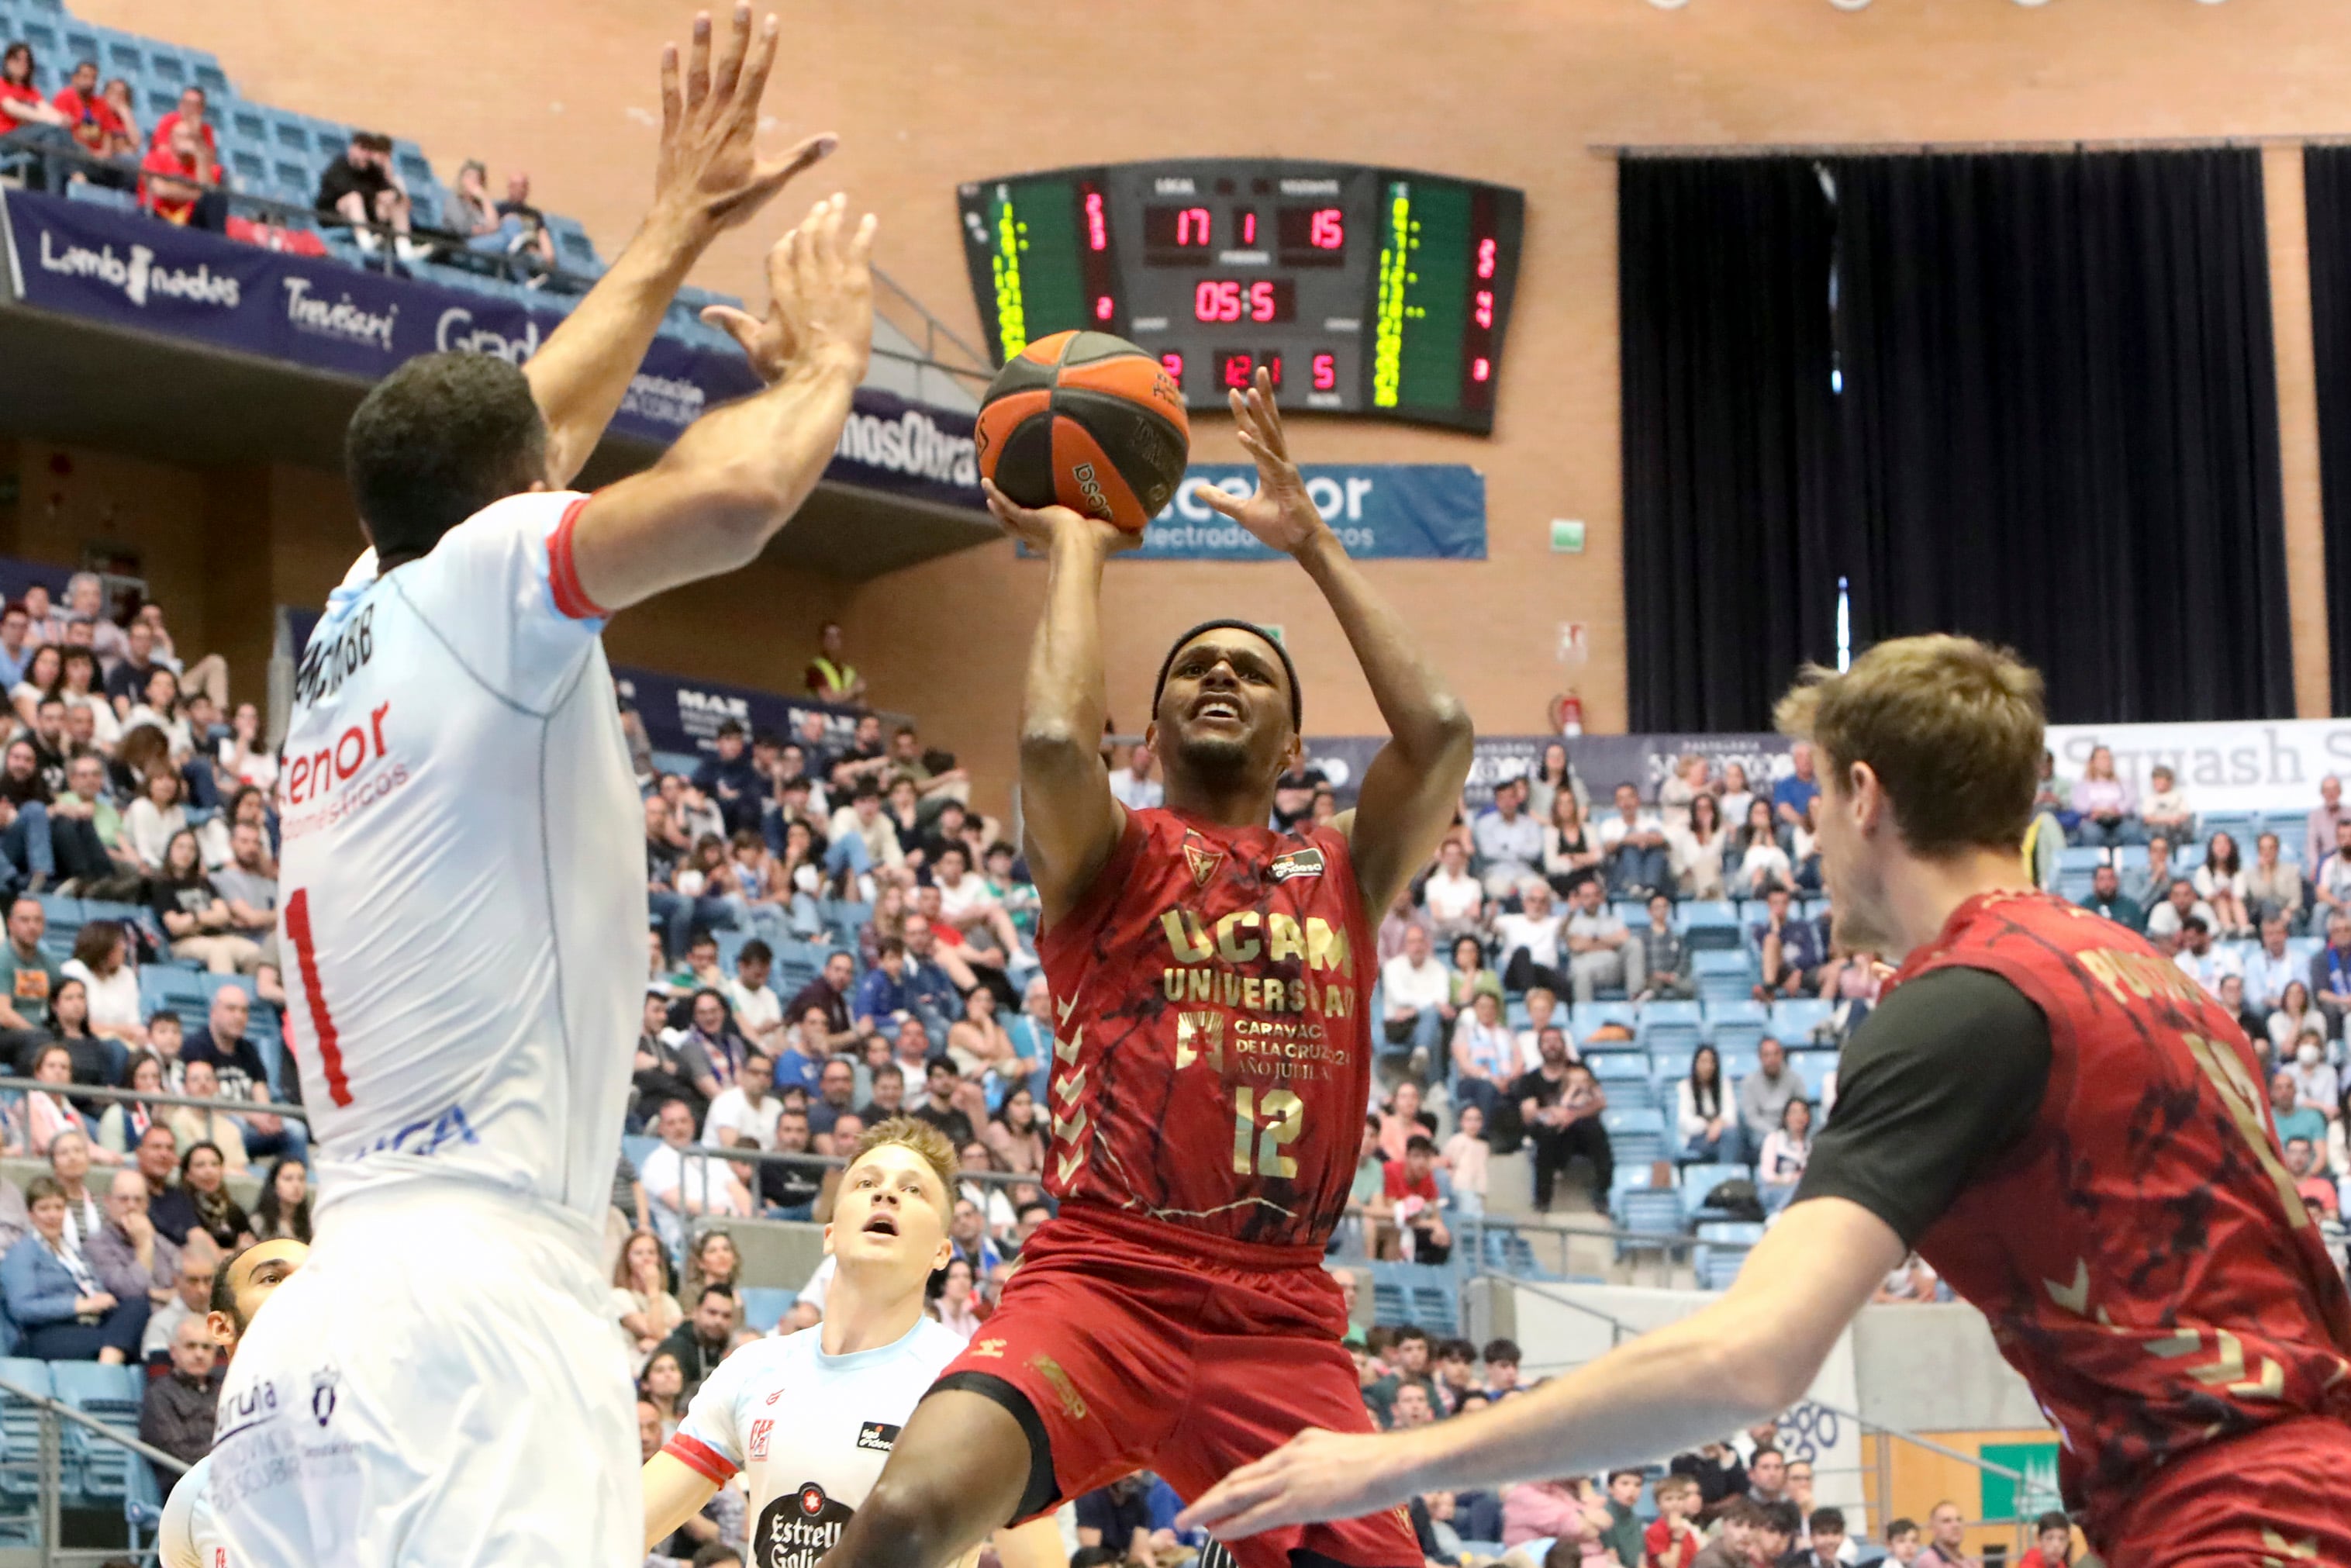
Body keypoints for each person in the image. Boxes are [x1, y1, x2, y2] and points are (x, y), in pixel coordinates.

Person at [1179, 634, 2351, 1568]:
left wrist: (1383, 1464)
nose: (1816, 836)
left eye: (1817, 804)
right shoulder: (2161, 980)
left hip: (2250, 1522)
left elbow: (1748, 1359)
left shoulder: (1962, 1004)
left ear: (1864, 792)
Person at [209, 21, 869, 1549]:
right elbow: (734, 495)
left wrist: (670, 228)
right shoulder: (497, 566)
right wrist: (826, 366)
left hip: (318, 1325)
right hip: (479, 1316)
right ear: (519, 504)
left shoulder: (369, 598)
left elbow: (534, 426)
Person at [813, 368, 1469, 1568]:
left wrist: (1314, 543)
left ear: (1292, 737)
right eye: (1192, 670)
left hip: (1281, 1315)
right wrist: (1079, 539)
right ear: (1152, 728)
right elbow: (1057, 736)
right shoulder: (1108, 856)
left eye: (1251, 670)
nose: (1220, 674)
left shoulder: (1346, 868)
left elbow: (1440, 731)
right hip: (1106, 1281)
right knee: (906, 1516)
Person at [157, 1237, 309, 1568]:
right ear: (222, 1326)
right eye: (273, 1278)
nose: (300, 1289)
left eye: (312, 1277)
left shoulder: (386, 1465)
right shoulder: (195, 1500)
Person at [2, 1174, 149, 1361]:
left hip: (90, 1324)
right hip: (46, 1333)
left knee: (137, 1305)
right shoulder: (23, 1252)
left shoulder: (73, 1253)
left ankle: (109, 1359)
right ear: (30, 1215)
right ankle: (109, 1365)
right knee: (129, 1345)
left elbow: (94, 1288)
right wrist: (77, 1305)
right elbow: (21, 1308)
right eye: (44, 1208)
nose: (52, 1215)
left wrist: (100, 1298)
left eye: (58, 1207)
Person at [1677, 1044, 1738, 1163]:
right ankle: (1726, 1175)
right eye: (1704, 1062)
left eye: (1712, 1062)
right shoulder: (1685, 1086)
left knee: (1731, 1138)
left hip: (1722, 1136)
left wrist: (1719, 1124)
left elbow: (1731, 1115)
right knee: (1729, 1144)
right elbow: (1684, 1121)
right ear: (1696, 1064)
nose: (1708, 1067)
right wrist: (1707, 1126)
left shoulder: (1724, 1084)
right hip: (1696, 1138)